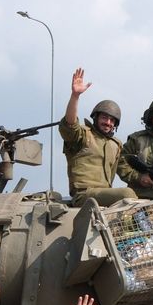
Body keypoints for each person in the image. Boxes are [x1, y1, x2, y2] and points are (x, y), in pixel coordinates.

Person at [58, 68, 137, 207]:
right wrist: (75, 95)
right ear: (96, 117)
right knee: (127, 194)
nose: (108, 122)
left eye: (112, 120)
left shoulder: (116, 144)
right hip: (84, 195)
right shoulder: (83, 135)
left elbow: (125, 169)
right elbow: (70, 125)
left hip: (105, 197)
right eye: (104, 117)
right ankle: (144, 228)